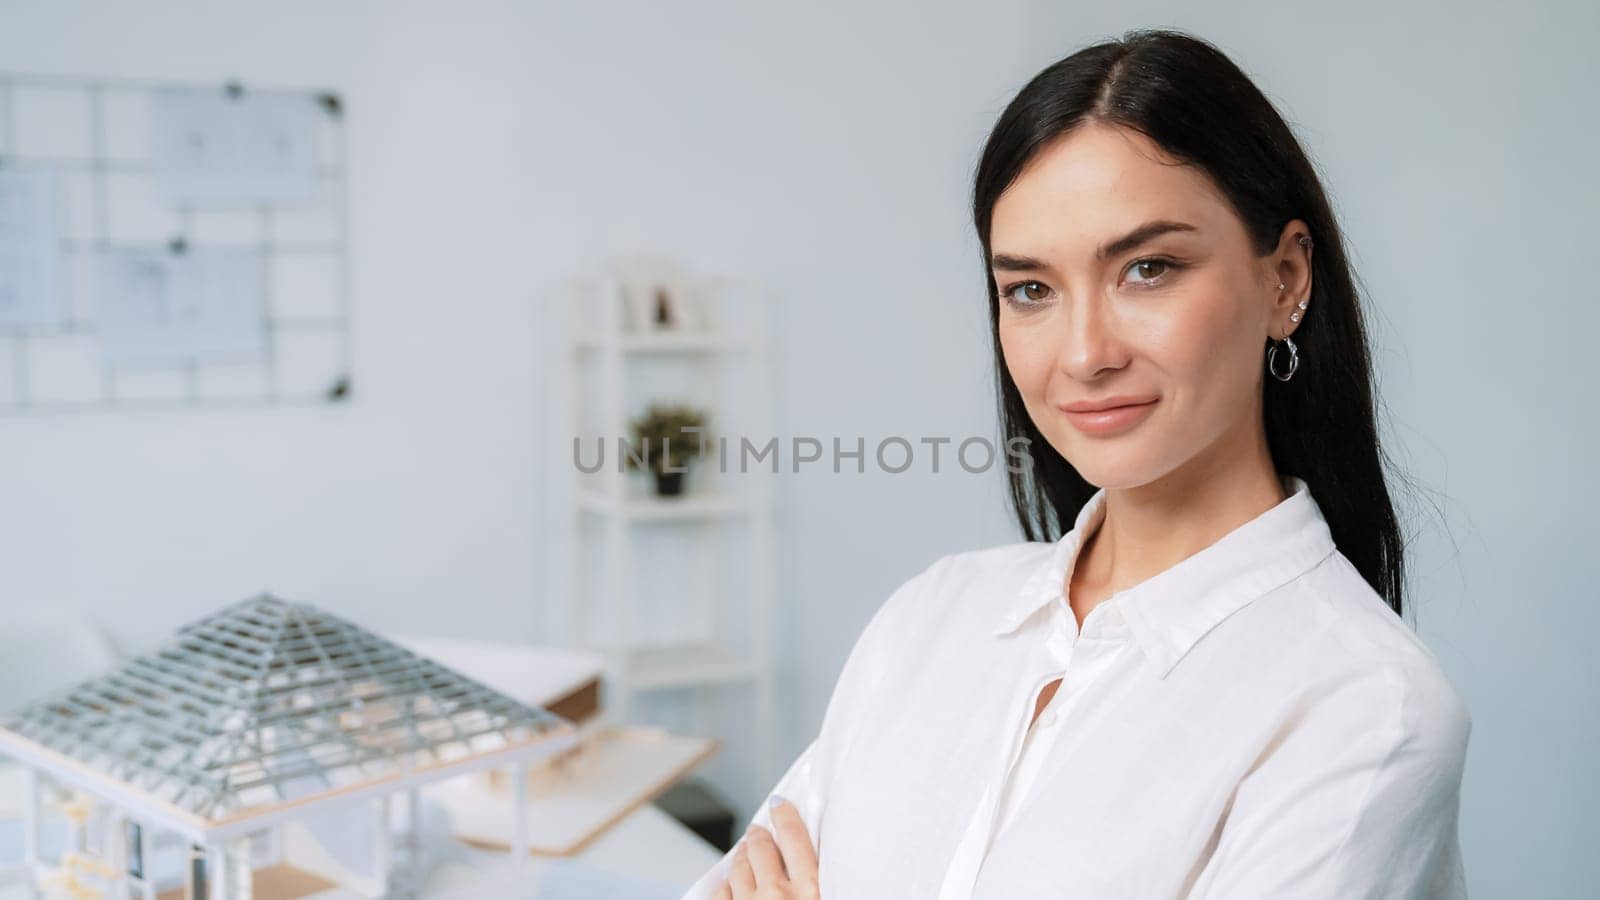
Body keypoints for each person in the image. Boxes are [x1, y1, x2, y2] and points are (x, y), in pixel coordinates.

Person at [685, 27, 1471, 900]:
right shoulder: (931, 619)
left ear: (1285, 278)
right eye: (1030, 289)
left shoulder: (1364, 708)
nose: (1085, 353)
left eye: (1147, 268)